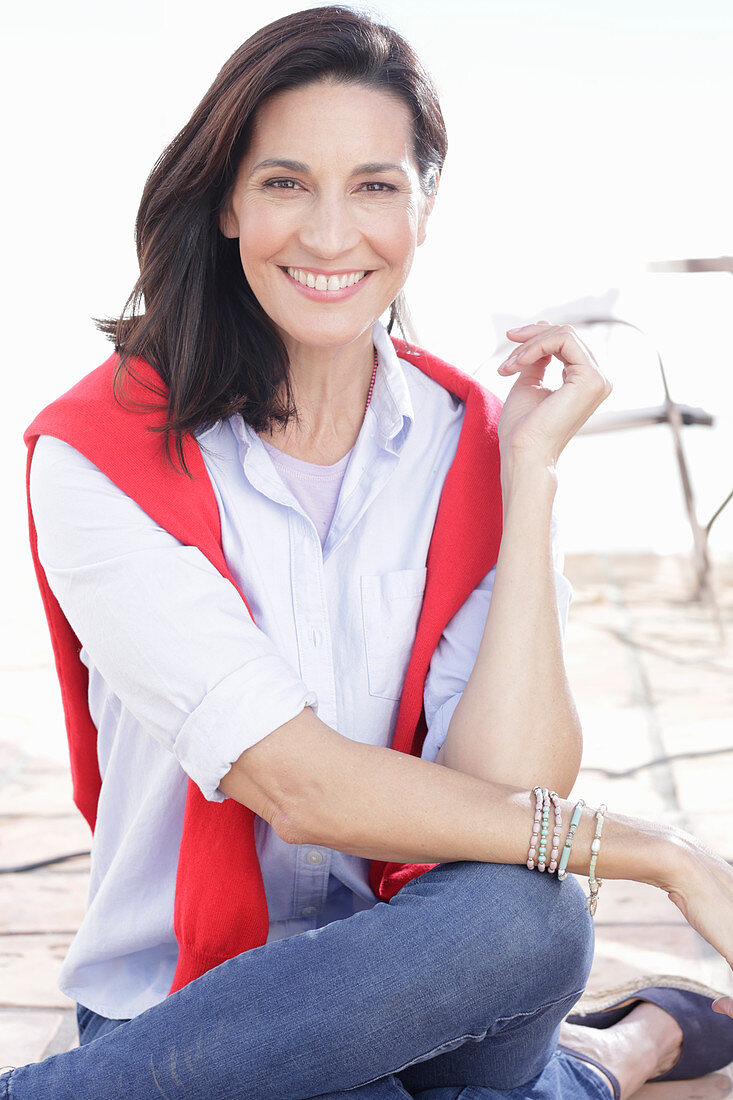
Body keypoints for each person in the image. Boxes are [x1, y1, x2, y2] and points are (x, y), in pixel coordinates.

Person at [3, 6, 733, 1098]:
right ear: (226, 205)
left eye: (376, 185)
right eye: (287, 182)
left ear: (425, 206)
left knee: (530, 910)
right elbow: (297, 785)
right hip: (193, 1013)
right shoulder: (100, 455)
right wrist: (666, 851)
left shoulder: (469, 440)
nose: (332, 235)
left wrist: (526, 477)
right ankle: (626, 1046)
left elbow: (511, 795)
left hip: (435, 964)